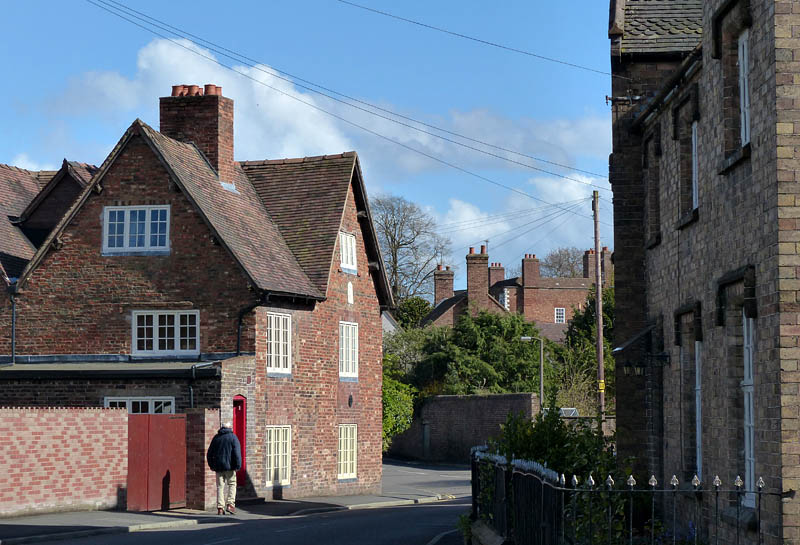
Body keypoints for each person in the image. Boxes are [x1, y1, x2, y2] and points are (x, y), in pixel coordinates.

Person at [206, 421, 242, 515]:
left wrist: (212, 465)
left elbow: (209, 453)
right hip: (230, 467)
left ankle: (220, 508)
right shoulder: (233, 437)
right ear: (230, 427)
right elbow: (237, 453)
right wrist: (238, 465)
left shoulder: (216, 438)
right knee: (232, 484)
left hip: (218, 467)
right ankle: (230, 505)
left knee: (220, 486)